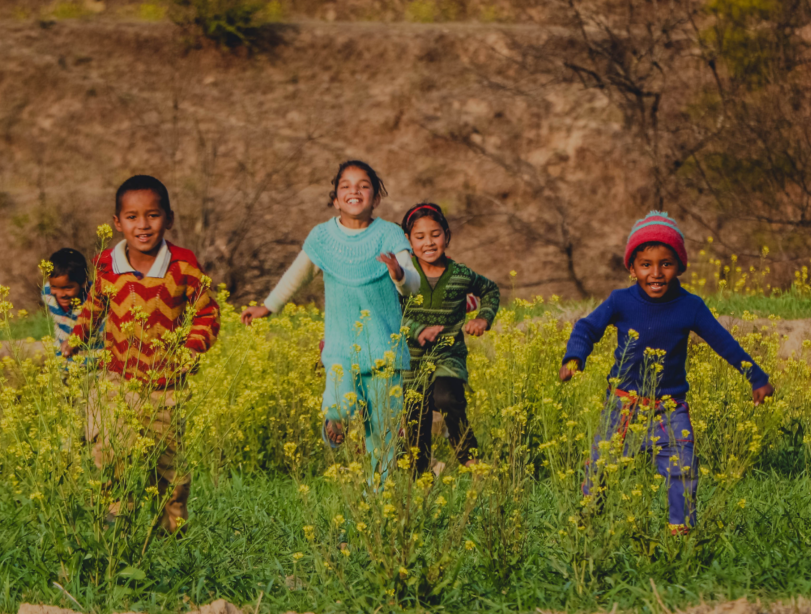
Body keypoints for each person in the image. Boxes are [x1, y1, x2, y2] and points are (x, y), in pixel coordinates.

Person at [560, 211, 773, 532]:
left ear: (680, 267)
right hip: (623, 405)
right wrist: (575, 357)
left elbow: (723, 342)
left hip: (670, 408)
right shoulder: (620, 300)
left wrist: (756, 377)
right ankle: (588, 523)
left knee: (683, 468)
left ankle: (681, 532)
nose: (656, 273)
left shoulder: (691, 306)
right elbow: (587, 328)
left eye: (666, 264)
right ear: (632, 268)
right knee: (600, 467)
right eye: (646, 264)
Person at [240, 160, 419, 475]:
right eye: (345, 186)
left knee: (384, 431)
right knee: (339, 403)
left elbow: (414, 284)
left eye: (364, 185)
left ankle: (382, 495)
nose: (354, 191)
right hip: (340, 348)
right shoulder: (322, 237)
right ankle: (334, 422)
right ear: (335, 199)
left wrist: (399, 273)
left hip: (383, 352)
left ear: (376, 198)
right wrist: (267, 307)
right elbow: (297, 275)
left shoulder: (390, 235)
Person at [66, 175, 220, 533]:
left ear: (169, 218)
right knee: (108, 456)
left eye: (152, 215)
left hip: (167, 386)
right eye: (132, 217)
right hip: (117, 380)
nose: (143, 225)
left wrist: (190, 350)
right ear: (118, 223)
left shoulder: (183, 264)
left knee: (170, 470)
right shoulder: (107, 263)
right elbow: (94, 305)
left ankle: (171, 533)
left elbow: (207, 313)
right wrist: (77, 336)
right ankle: (115, 525)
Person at [398, 202, 500, 474]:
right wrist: (417, 330)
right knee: (415, 418)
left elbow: (490, 290)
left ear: (447, 235)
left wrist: (483, 318)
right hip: (411, 361)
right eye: (419, 237)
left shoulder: (460, 274)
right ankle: (420, 476)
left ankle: (469, 457)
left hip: (448, 357)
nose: (429, 243)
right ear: (408, 241)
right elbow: (390, 312)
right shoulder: (403, 278)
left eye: (435, 234)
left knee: (447, 399)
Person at [41, 247, 96, 355]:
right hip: (62, 356)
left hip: (91, 358)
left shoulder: (95, 298)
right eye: (54, 287)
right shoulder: (47, 294)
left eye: (68, 288)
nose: (61, 294)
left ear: (83, 281)